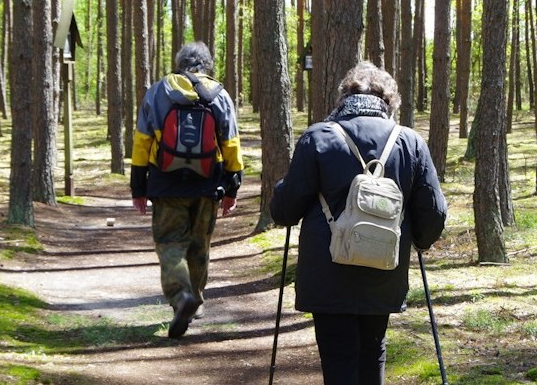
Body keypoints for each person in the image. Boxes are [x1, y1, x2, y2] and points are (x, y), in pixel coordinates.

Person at [270, 61, 447, 384]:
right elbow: (434, 212)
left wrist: (282, 193)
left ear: (343, 98)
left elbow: (284, 211)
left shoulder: (319, 137)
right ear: (389, 102)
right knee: (373, 350)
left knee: (338, 358)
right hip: (384, 270)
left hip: (328, 272)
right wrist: (419, 240)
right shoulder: (409, 142)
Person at [130, 42, 244, 339]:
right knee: (200, 245)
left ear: (179, 63)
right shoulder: (219, 94)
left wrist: (138, 186)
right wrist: (233, 186)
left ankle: (182, 298)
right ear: (208, 65)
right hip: (208, 183)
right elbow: (231, 144)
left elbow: (142, 141)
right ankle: (195, 300)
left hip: (166, 184)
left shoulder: (158, 91)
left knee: (170, 244)